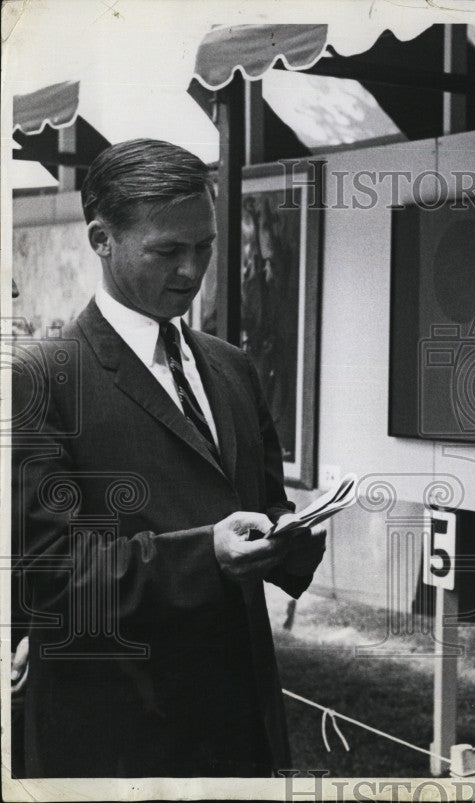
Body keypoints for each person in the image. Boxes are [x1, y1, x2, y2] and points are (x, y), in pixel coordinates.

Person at [11, 139, 326, 777]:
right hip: (116, 741)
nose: (192, 270)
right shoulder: (39, 381)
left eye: (205, 247)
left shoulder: (232, 368)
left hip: (240, 730)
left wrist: (288, 535)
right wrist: (205, 553)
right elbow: (45, 579)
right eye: (168, 251)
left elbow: (261, 502)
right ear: (101, 238)